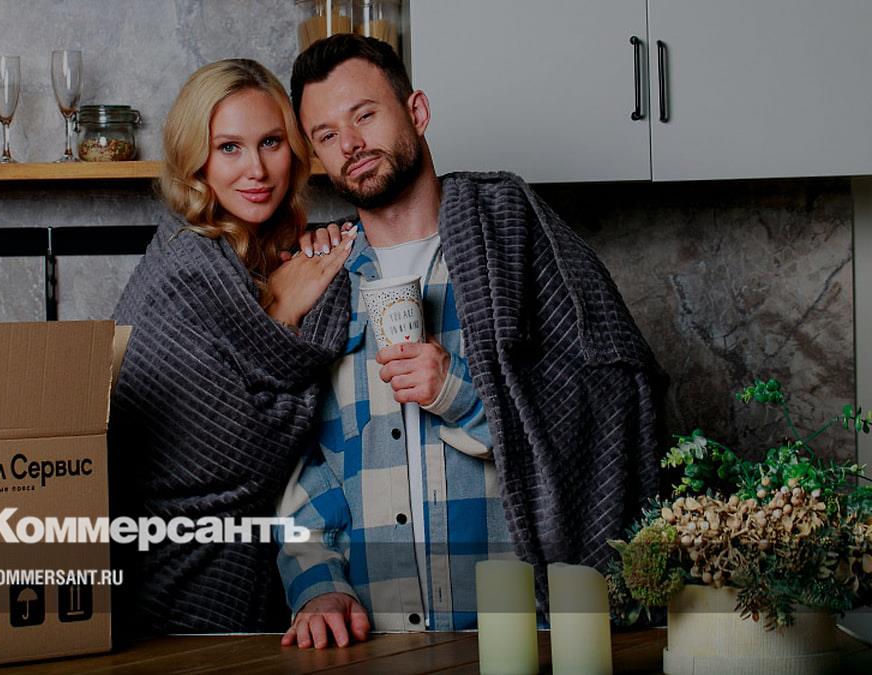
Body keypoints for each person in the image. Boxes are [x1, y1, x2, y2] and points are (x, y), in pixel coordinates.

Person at [275, 34, 664, 648]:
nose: (349, 144)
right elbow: (304, 465)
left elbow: (606, 408)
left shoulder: (511, 247)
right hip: (376, 641)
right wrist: (318, 585)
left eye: (365, 115)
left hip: (523, 635)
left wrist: (459, 392)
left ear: (417, 112)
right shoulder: (322, 283)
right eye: (326, 134)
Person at [109, 58, 355, 636]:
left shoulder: (269, 253)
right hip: (173, 575)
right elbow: (227, 464)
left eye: (271, 142)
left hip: (264, 575)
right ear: (197, 160)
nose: (257, 170)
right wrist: (283, 311)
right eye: (229, 148)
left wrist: (305, 266)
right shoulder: (185, 265)